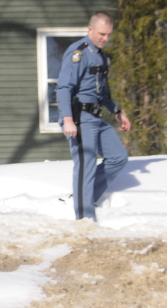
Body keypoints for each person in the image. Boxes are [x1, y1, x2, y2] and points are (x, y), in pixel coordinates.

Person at [55, 11, 131, 222]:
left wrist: (116, 111)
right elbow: (63, 88)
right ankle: (85, 220)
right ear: (90, 30)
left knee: (118, 157)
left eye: (108, 35)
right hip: (78, 117)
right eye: (101, 34)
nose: (105, 39)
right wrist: (68, 119)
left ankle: (82, 197)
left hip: (96, 117)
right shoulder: (77, 52)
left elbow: (103, 92)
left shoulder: (102, 56)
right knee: (86, 163)